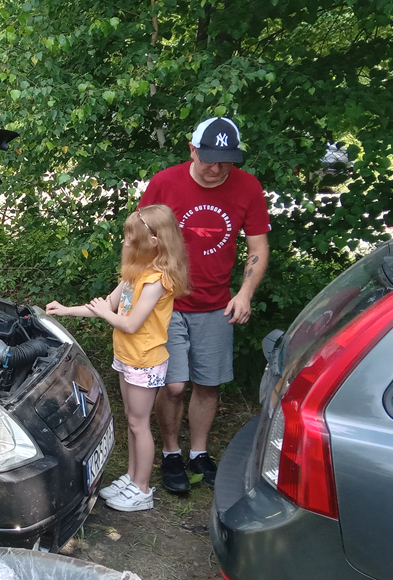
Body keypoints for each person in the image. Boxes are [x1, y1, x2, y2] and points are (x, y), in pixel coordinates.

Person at [138, 117, 270, 493]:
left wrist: (244, 293)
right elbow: (139, 238)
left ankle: (198, 453)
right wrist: (138, 292)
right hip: (167, 301)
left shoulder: (248, 187)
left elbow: (258, 247)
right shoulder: (165, 183)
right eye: (209, 159)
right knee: (174, 385)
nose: (217, 168)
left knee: (209, 385)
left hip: (216, 304)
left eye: (226, 161)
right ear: (192, 150)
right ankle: (170, 453)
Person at [46, 205, 190, 512]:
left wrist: (104, 312)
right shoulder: (134, 274)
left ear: (154, 241)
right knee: (132, 420)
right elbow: (109, 304)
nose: (125, 242)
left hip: (144, 361)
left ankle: (142, 489)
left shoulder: (156, 281)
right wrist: (66, 310)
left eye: (131, 237)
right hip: (127, 357)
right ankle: (131, 477)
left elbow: (130, 323)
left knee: (140, 424)